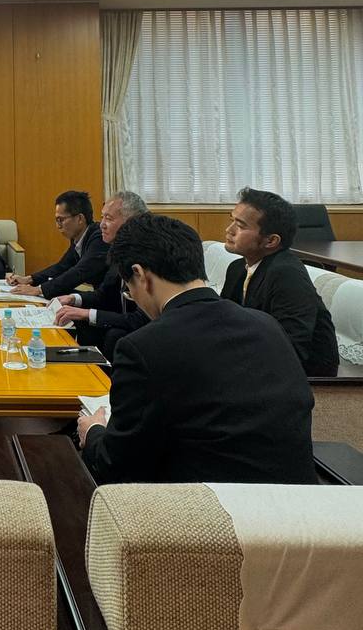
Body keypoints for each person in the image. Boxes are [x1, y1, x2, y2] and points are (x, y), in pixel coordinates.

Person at [77, 213, 316, 485]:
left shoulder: (142, 347)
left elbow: (116, 464)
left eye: (129, 289)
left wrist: (93, 431)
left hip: (208, 502)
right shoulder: (267, 325)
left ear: (140, 275)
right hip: (297, 495)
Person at [222, 187, 339, 378]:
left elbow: (292, 346)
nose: (229, 230)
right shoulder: (237, 268)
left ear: (271, 241)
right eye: (232, 220)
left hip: (308, 378)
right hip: (259, 361)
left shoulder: (287, 274)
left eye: (241, 226)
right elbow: (224, 322)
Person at [50, 191, 150, 360]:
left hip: (147, 329)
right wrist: (73, 299)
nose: (102, 224)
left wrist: (87, 313)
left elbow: (141, 319)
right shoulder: (117, 250)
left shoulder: (147, 255)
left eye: (108, 219)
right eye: (102, 217)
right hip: (123, 318)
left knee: (113, 334)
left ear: (131, 222)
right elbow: (104, 294)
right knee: (78, 317)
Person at [8, 190, 108, 297]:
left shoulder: (99, 238)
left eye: (61, 220)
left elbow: (79, 272)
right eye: (56, 220)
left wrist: (39, 290)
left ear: (80, 219)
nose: (58, 225)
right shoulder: (78, 238)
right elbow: (62, 267)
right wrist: (29, 279)